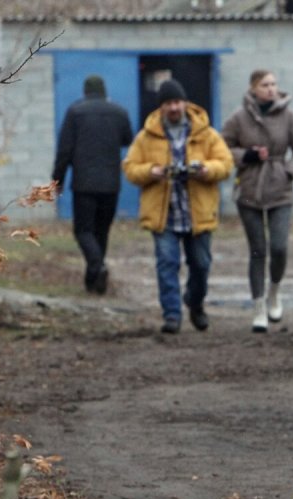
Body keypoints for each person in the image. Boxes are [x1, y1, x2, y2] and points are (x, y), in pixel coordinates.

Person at [123, 79, 233, 334]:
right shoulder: (146, 136)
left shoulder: (205, 133)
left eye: (177, 102)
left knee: (201, 264)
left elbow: (225, 163)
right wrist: (153, 171)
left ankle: (195, 303)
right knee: (167, 264)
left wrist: (206, 169)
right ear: (161, 107)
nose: (173, 107)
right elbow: (129, 167)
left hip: (199, 211)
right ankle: (171, 315)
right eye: (168, 103)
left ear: (185, 103)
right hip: (164, 214)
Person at [221, 69, 293, 333]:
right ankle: (258, 307)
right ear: (253, 89)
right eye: (265, 85)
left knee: (279, 247)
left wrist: (288, 171)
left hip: (280, 191)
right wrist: (247, 156)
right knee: (257, 250)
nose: (271, 89)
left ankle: (274, 290)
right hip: (248, 192)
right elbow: (220, 147)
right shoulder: (239, 118)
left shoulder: (288, 116)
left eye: (274, 84)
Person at [51, 74, 133, 295]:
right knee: (101, 230)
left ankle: (97, 266)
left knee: (83, 230)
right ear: (104, 91)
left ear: (85, 92)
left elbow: (64, 151)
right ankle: (94, 280)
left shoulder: (75, 112)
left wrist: (57, 180)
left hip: (84, 184)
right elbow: (128, 139)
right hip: (111, 184)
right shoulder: (119, 112)